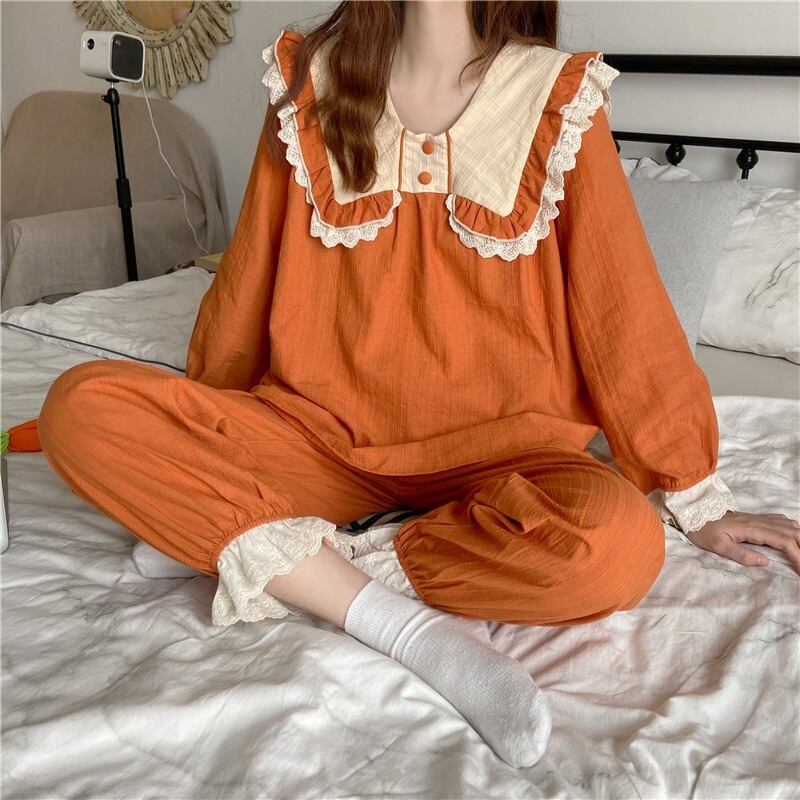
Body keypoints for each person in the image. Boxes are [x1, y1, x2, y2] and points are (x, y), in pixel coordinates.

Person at [35, 0, 800, 769]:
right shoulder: (308, 84)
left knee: (617, 546)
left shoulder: (558, 97)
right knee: (82, 407)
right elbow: (247, 283)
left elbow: (620, 307)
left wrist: (694, 490)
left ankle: (294, 559)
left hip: (512, 465)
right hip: (319, 443)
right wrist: (206, 435)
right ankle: (399, 623)